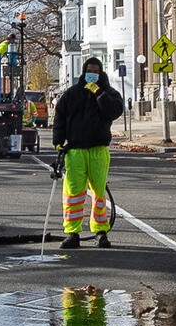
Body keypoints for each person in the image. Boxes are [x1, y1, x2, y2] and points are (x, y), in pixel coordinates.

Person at [51, 57, 125, 249]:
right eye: (89, 71)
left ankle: (100, 232)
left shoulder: (109, 93)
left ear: (101, 73)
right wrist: (58, 141)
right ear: (84, 73)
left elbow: (115, 111)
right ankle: (72, 233)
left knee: (98, 194)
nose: (92, 75)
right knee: (73, 194)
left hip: (99, 150)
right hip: (75, 150)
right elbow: (59, 116)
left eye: (96, 71)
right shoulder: (72, 94)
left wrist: (99, 94)